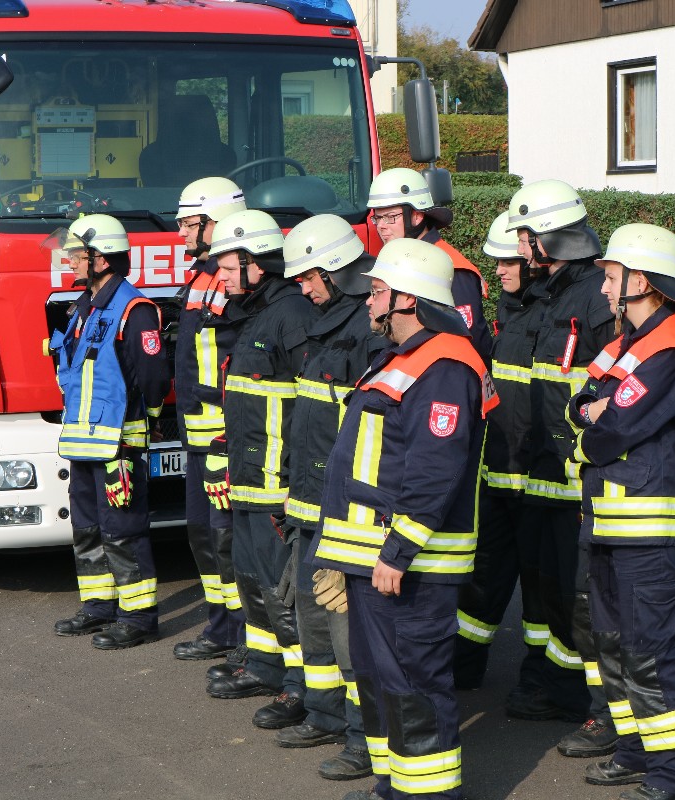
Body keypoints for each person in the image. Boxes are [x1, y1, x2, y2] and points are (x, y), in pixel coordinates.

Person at [311, 238, 498, 800]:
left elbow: (434, 469)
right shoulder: (401, 357)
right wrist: (342, 555)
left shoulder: (444, 365)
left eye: (377, 291)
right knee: (381, 681)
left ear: (407, 299)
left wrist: (397, 551)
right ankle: (395, 789)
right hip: (374, 558)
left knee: (414, 684)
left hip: (409, 565)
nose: (369, 302)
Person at [568, 223, 675, 800]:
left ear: (643, 281)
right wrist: (594, 411)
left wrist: (596, 418)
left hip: (646, 532)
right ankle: (633, 752)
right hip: (607, 523)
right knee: (613, 646)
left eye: (611, 276)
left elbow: (615, 427)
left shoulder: (669, 349)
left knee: (651, 653)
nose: (604, 288)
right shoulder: (626, 343)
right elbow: (579, 404)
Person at [500, 179, 616, 738]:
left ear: (549, 238)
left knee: (582, 601)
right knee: (546, 591)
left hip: (578, 484)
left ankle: (599, 707)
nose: (520, 248)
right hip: (543, 478)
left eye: (525, 236)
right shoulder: (550, 295)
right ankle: (554, 687)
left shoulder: (595, 297)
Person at [277, 214, 384, 780]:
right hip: (309, 500)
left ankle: (366, 738)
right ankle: (325, 714)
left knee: (348, 631)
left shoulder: (368, 330)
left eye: (309, 276)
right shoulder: (326, 323)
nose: (303, 287)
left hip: (344, 507)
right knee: (312, 614)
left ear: (338, 270)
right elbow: (309, 420)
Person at [205, 209, 319, 733]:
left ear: (258, 264)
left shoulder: (292, 315)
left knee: (281, 588)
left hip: (278, 484)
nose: (221, 278)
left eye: (229, 268)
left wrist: (297, 479)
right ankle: (265, 665)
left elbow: (312, 406)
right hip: (250, 478)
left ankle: (301, 685)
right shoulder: (255, 314)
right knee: (251, 578)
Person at [47, 214, 170, 650]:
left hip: (120, 441)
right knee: (87, 527)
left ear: (101, 259)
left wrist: (149, 417)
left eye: (77, 254)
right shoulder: (84, 307)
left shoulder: (134, 310)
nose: (70, 260)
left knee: (123, 528)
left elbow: (153, 376)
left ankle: (138, 617)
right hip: (82, 440)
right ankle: (98, 606)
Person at [453, 213, 547, 694]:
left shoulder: (550, 312)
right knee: (481, 577)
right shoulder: (510, 310)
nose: (500, 270)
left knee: (540, 588)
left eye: (509, 262)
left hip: (537, 481)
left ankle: (541, 683)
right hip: (499, 474)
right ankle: (463, 668)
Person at [169, 177, 248, 662]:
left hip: (222, 436)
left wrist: (225, 435)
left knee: (228, 538)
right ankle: (221, 628)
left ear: (218, 221)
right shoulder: (203, 275)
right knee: (203, 534)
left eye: (188, 223)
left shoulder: (233, 281)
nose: (180, 232)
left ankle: (246, 636)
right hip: (197, 436)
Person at [366, 167, 492, 361]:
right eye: (378, 217)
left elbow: (466, 343)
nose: (381, 226)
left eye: (390, 217)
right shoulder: (404, 260)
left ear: (417, 216)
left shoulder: (453, 270)